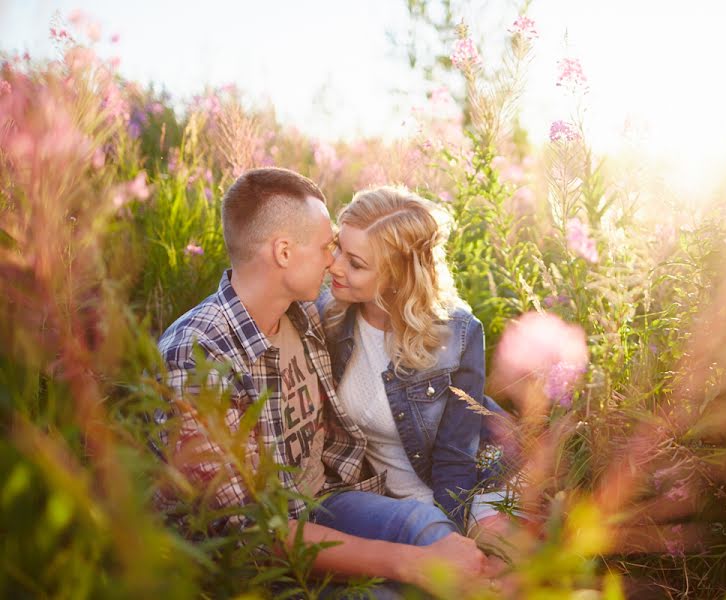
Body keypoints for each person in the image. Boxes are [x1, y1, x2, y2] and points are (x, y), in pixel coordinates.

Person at [156, 168, 489, 596]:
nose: (333, 262)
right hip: (251, 555)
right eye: (326, 247)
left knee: (429, 528)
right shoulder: (198, 356)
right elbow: (250, 534)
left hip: (324, 500)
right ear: (283, 253)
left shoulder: (303, 313)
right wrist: (412, 564)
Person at [319, 186, 512, 534]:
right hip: (388, 504)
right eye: (338, 248)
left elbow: (458, 457)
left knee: (500, 571)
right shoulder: (327, 318)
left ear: (397, 276)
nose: (334, 265)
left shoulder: (458, 334)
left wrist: (449, 534)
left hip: (476, 485)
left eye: (356, 263)